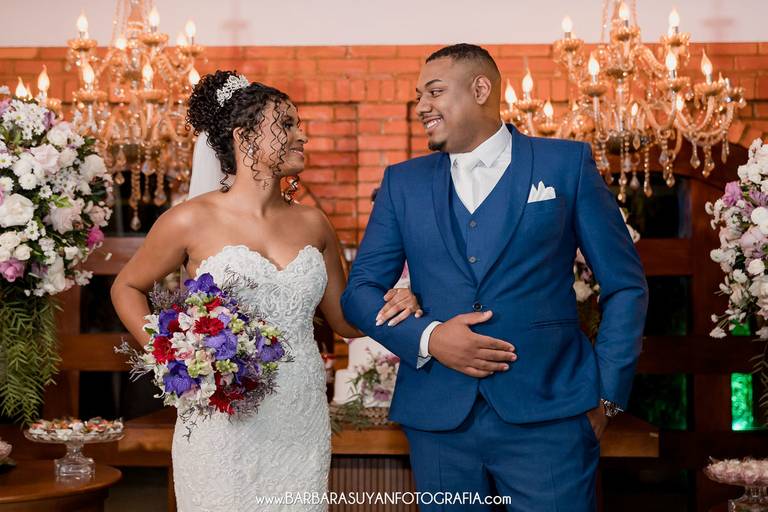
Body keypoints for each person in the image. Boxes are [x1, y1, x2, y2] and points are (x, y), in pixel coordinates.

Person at [341, 44, 649, 510]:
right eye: (418, 95)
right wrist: (429, 338)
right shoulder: (402, 183)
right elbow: (359, 293)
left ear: (481, 89)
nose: (421, 106)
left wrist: (607, 396)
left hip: (551, 415)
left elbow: (626, 285)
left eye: (434, 91)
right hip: (438, 419)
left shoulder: (565, 165)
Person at [111, 70, 422, 511]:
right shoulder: (189, 220)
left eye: (299, 125)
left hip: (299, 418)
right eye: (287, 124)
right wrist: (175, 357)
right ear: (245, 137)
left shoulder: (314, 223)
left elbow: (345, 321)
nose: (303, 136)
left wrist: (403, 297)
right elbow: (127, 286)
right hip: (222, 417)